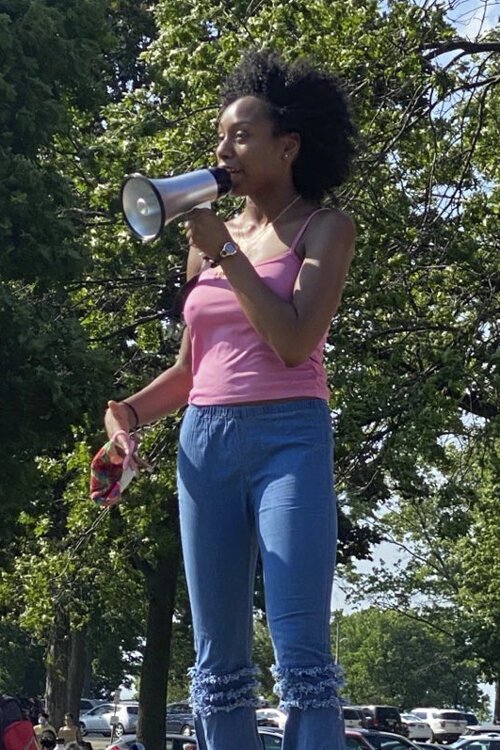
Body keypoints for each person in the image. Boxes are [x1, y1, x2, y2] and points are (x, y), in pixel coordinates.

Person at [104, 49, 356, 750]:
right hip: (204, 443)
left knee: (301, 652)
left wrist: (228, 255)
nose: (223, 152)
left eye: (240, 136)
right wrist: (127, 412)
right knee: (217, 664)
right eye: (220, 138)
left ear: (289, 144)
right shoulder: (208, 244)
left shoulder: (325, 228)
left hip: (289, 440)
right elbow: (192, 368)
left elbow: (294, 342)